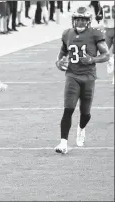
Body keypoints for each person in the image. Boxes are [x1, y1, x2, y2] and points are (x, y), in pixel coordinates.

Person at [54, 6, 110, 154]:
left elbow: (106, 55)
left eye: (83, 19)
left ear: (88, 21)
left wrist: (92, 59)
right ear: (73, 20)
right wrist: (59, 64)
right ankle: (63, 143)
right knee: (68, 109)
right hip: (72, 76)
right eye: (77, 19)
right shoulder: (67, 34)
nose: (79, 22)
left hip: (89, 77)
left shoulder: (95, 34)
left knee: (85, 113)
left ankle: (81, 128)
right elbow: (60, 56)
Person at [100, 1, 114, 84]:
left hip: (107, 29)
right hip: (109, 28)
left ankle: (110, 61)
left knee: (104, 52)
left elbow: (100, 14)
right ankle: (111, 60)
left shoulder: (102, 2)